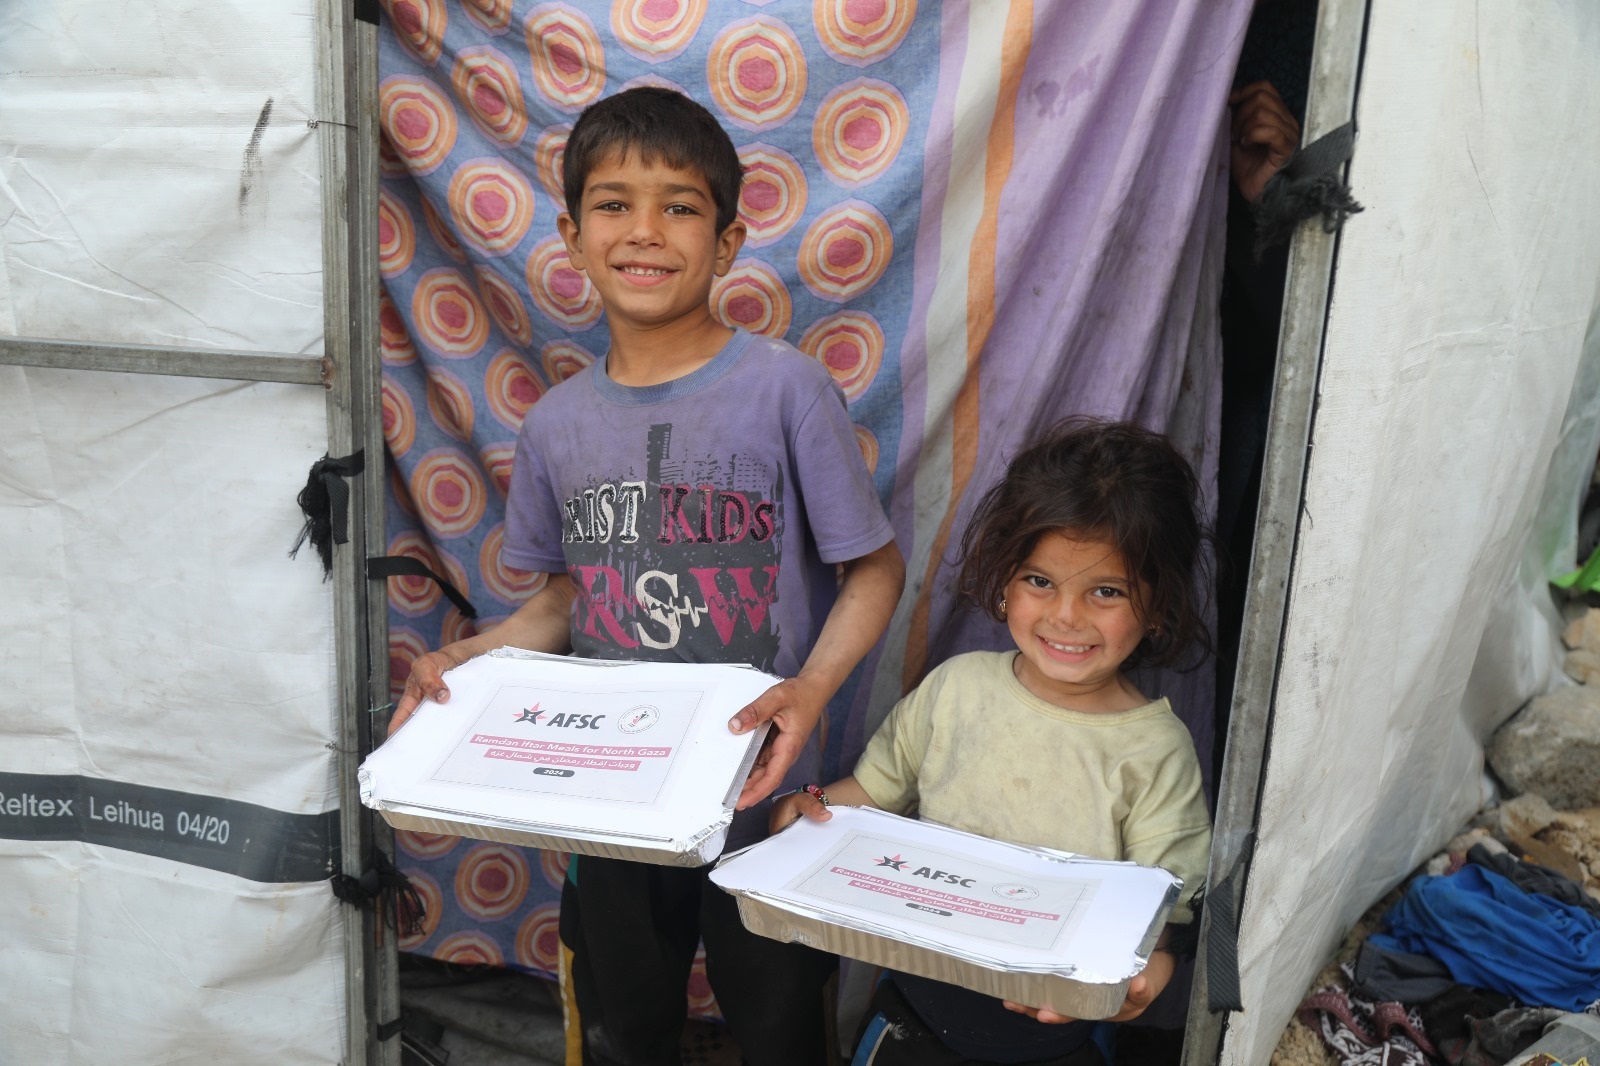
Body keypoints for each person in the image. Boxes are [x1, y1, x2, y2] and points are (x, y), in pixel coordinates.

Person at [387, 86, 906, 1066]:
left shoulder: (784, 389)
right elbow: (561, 601)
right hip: (613, 802)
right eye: (616, 205)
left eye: (679, 206)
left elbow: (874, 569)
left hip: (765, 793)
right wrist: (465, 656)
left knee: (782, 1026)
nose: (646, 231)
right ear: (573, 235)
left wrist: (811, 689)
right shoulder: (555, 424)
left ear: (727, 240)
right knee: (627, 1029)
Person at [770, 418, 1214, 1066]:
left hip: (1055, 1042)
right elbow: (864, 798)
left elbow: (1165, 919)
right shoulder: (955, 689)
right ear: (1005, 580)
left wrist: (1147, 978)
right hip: (909, 1022)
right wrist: (802, 811)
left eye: (1107, 592)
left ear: (1158, 606)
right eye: (1040, 581)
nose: (1066, 615)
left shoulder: (1154, 752)